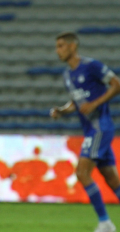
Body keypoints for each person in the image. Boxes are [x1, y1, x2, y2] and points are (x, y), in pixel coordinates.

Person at [50, 32, 120, 232]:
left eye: (61, 46)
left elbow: (117, 84)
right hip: (91, 128)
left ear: (73, 47)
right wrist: (63, 111)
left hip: (100, 126)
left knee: (82, 172)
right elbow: (77, 101)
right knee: (112, 179)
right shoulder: (67, 75)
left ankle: (105, 223)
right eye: (57, 47)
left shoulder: (92, 66)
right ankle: (105, 223)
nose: (58, 51)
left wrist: (96, 103)